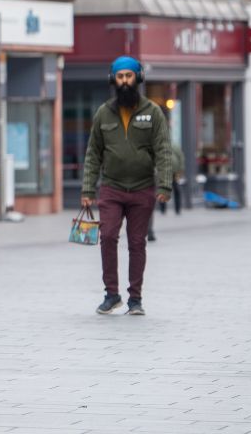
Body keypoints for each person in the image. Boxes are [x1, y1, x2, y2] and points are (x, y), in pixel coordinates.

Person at [81, 56, 172, 316]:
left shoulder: (153, 112)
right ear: (113, 79)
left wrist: (164, 185)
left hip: (143, 188)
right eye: (119, 76)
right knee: (107, 236)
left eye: (128, 76)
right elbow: (93, 154)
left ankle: (135, 299)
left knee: (137, 243)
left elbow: (163, 150)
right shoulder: (103, 113)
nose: (124, 81)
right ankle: (112, 294)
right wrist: (88, 190)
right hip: (111, 188)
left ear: (138, 78)